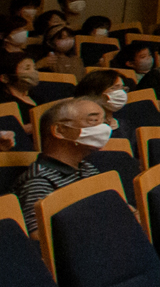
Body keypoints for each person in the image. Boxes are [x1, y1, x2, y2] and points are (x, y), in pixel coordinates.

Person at [16, 98, 111, 235]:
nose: (103, 128)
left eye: (103, 122)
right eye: (93, 120)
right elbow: (40, 237)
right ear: (59, 130)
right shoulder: (39, 180)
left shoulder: (87, 168)